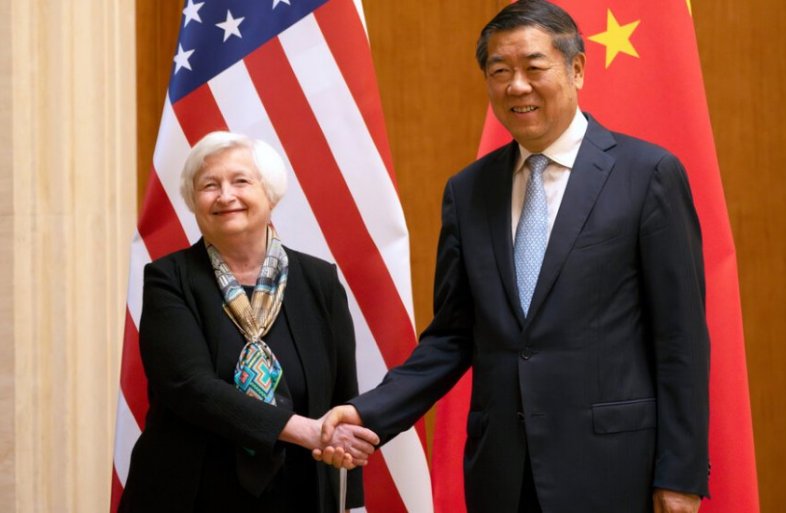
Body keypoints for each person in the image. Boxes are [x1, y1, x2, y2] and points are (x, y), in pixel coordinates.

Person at [318, 1, 711, 512]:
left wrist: (679, 474)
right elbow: (453, 335)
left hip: (614, 470)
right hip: (502, 472)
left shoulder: (647, 174)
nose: (517, 86)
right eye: (500, 72)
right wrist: (367, 413)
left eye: (533, 67)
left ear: (576, 69)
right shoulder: (469, 191)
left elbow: (680, 337)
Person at [118, 131, 379, 513]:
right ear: (193, 201)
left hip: (301, 491)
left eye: (240, 181)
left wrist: (344, 477)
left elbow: (341, 392)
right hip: (190, 493)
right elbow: (191, 387)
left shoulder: (319, 280)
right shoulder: (168, 279)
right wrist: (304, 430)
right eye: (209, 185)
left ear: (270, 194)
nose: (225, 196)